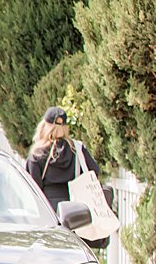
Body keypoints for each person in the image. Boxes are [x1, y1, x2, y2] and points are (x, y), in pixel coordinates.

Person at [27, 106, 112, 248]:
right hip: (77, 215)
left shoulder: (38, 154)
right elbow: (94, 172)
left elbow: (33, 191)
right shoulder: (77, 149)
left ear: (44, 126)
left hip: (50, 214)